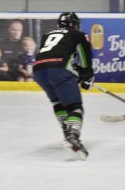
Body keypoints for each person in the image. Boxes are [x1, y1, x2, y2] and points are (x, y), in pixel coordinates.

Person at [33, 12, 94, 160]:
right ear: (74, 24)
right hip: (59, 70)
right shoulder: (78, 35)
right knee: (75, 106)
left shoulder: (46, 35)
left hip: (38, 71)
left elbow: (51, 55)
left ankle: (67, 131)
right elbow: (85, 57)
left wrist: (77, 72)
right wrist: (86, 75)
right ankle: (72, 136)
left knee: (58, 103)